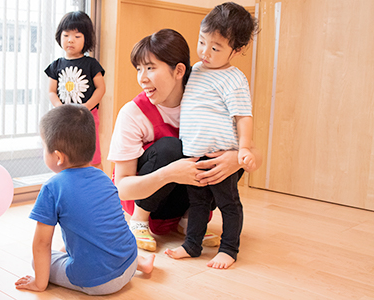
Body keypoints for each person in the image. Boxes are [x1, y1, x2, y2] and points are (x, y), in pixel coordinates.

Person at [108, 28, 261, 253]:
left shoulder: (207, 100)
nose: (142, 78)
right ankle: (139, 221)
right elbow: (122, 188)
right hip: (146, 197)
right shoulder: (133, 113)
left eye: (150, 68)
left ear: (179, 70)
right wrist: (169, 173)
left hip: (188, 197)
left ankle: (189, 221)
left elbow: (254, 153)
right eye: (139, 69)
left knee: (227, 153)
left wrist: (235, 160)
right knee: (172, 148)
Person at [15, 104, 154, 296]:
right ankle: (143, 264)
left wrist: (39, 283)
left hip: (98, 282)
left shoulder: (52, 187)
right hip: (129, 262)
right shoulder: (103, 177)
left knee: (38, 261)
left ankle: (55, 275)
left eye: (44, 147)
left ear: (58, 157)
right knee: (104, 240)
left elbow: (41, 244)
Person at [165, 2, 259, 270]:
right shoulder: (194, 70)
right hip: (194, 152)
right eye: (202, 41)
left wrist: (244, 149)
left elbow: (243, 116)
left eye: (215, 48)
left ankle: (229, 249)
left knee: (229, 203)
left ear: (236, 50)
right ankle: (192, 245)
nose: (205, 52)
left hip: (220, 155)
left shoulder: (234, 79)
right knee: (197, 203)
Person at [45, 11, 106, 170]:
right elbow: (51, 91)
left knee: (93, 157)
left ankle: (101, 189)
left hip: (87, 118)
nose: (70, 40)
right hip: (64, 119)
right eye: (66, 35)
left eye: (77, 36)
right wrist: (61, 108)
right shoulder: (56, 65)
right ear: (60, 37)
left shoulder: (91, 64)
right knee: (66, 157)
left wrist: (86, 107)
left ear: (86, 39)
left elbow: (101, 89)